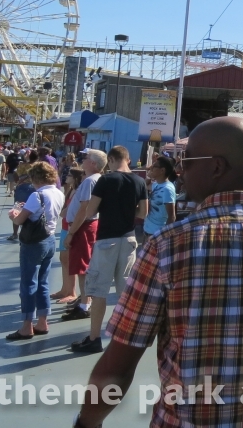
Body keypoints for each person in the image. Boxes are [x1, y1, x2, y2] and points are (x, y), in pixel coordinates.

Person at [75, 116, 243, 428]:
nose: (181, 170)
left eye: (187, 161)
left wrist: (86, 423)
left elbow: (118, 366)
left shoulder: (167, 247)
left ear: (217, 167)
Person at [69, 145, 148, 354]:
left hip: (106, 240)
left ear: (111, 160)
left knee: (99, 291)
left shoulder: (105, 180)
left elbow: (90, 210)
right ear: (128, 159)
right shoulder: (139, 181)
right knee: (124, 292)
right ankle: (124, 338)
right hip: (129, 239)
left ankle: (94, 338)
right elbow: (143, 213)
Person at [5, 162, 65, 341]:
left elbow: (19, 220)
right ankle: (43, 321)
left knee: (28, 283)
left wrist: (14, 215)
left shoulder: (37, 195)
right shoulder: (59, 193)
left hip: (33, 243)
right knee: (43, 282)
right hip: (50, 239)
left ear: (36, 178)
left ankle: (26, 326)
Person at [62, 150, 106, 320]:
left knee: (82, 267)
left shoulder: (89, 181)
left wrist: (71, 233)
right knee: (82, 266)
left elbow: (84, 209)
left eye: (86, 158)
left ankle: (84, 305)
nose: (82, 159)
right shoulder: (92, 179)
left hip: (83, 227)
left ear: (93, 163)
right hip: (84, 226)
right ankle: (84, 301)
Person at [51, 167, 84, 302]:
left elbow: (72, 210)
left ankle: (71, 291)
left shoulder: (78, 192)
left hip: (71, 228)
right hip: (65, 227)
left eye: (69, 175)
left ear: (76, 178)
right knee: (63, 258)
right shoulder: (71, 191)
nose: (66, 177)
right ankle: (65, 288)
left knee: (69, 260)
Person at [141, 156, 177, 243]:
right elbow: (145, 187)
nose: (151, 168)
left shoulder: (167, 189)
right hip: (148, 231)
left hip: (158, 235)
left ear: (162, 170)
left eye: (154, 166)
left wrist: (164, 236)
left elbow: (172, 216)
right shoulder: (157, 184)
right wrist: (149, 177)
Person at [8, 172, 37, 241]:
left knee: (17, 209)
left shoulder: (20, 167)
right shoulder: (38, 167)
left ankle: (15, 233)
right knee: (33, 210)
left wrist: (18, 181)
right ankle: (30, 232)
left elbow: (15, 176)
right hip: (34, 186)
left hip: (22, 187)